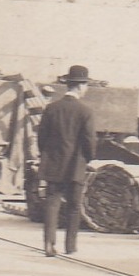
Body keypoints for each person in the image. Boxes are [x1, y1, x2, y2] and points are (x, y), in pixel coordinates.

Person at [37, 65, 97, 256]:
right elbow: (89, 140)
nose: (86, 89)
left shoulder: (51, 109)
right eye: (86, 85)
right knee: (73, 206)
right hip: (75, 166)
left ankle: (48, 244)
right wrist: (88, 158)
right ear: (80, 86)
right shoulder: (85, 111)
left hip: (53, 163)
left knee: (52, 204)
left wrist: (47, 156)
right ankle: (70, 246)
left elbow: (41, 138)